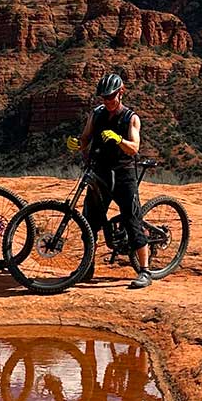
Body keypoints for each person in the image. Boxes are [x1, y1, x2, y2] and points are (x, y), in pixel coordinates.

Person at [67, 72, 152, 289]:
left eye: (110, 96)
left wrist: (119, 139)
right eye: (104, 97)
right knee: (90, 220)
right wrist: (78, 144)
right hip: (100, 172)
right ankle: (88, 266)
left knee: (132, 219)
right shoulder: (96, 115)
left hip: (123, 175)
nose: (107, 101)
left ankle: (145, 271)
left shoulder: (131, 118)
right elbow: (86, 137)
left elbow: (134, 148)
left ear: (120, 93)